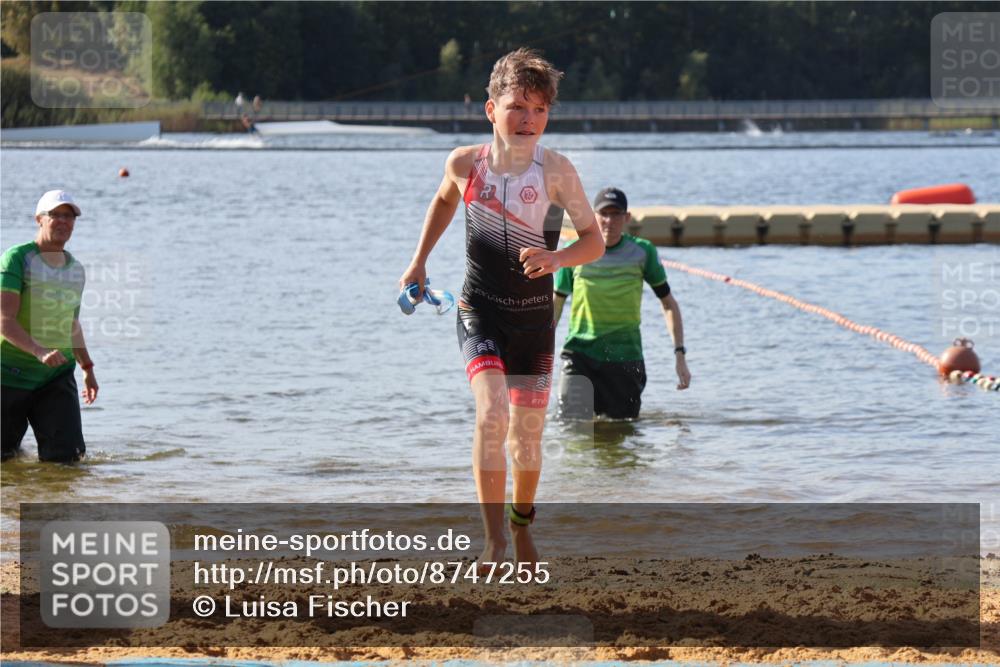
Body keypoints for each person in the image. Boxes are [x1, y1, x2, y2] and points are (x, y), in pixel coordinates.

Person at [399, 48, 604, 567]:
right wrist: (419, 261)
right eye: (517, 106)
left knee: (526, 440)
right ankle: (492, 540)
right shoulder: (466, 164)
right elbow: (446, 199)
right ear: (491, 110)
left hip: (535, 322)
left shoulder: (557, 172)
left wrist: (558, 257)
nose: (528, 119)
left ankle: (521, 527)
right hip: (481, 311)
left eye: (539, 109)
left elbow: (594, 242)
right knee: (491, 413)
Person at [554, 187, 691, 420]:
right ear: (593, 217)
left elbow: (668, 304)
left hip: (625, 357)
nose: (609, 221)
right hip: (579, 355)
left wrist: (679, 354)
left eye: (616, 214)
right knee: (571, 427)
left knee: (621, 432)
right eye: (603, 214)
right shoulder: (572, 252)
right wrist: (535, 355)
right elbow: (555, 306)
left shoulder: (642, 252)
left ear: (627, 218)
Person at [1, 190, 98, 462]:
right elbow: (4, 321)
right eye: (56, 215)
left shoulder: (75, 269)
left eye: (69, 216)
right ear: (39, 219)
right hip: (8, 375)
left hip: (55, 376)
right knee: (5, 461)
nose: (64, 222)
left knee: (67, 461)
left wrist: (87, 368)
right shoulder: (16, 259)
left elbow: (71, 323)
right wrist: (39, 351)